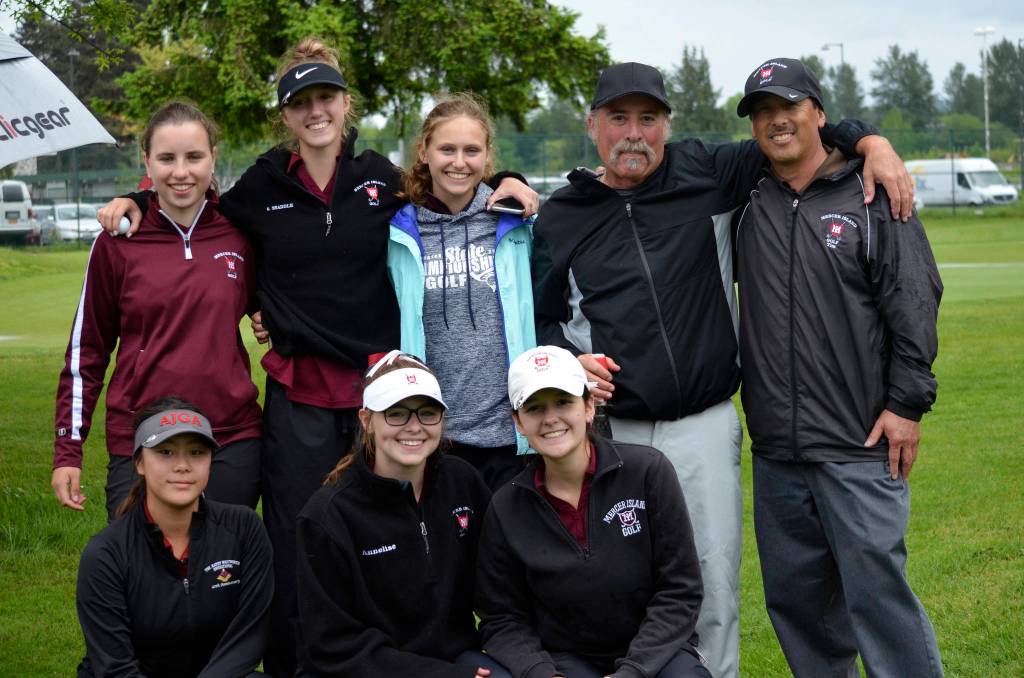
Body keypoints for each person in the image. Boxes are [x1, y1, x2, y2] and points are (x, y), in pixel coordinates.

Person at [96, 39, 535, 675]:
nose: (315, 111)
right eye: (300, 102)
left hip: (377, 398)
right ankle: (299, 664)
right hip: (299, 397)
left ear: (344, 103)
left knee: (383, 536)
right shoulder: (263, 184)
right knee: (297, 538)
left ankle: (395, 656)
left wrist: (505, 181)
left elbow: (449, 184)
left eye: (325, 97)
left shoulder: (380, 178)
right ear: (286, 114)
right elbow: (191, 200)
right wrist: (136, 196)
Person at [530, 61, 914, 678]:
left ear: (668, 125)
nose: (634, 134)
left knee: (710, 578)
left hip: (702, 423)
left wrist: (874, 141)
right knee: (622, 581)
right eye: (619, 119)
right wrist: (569, 360)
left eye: (648, 119)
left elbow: (795, 132)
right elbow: (540, 319)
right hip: (613, 431)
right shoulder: (561, 215)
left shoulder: (707, 172)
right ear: (592, 124)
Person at [733, 57, 943, 677]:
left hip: (859, 442)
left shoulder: (871, 193)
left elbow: (914, 301)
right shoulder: (748, 197)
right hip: (777, 452)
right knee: (800, 610)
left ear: (819, 115)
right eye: (763, 112)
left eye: (789, 107)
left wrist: (906, 405)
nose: (776, 122)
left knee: (880, 602)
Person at [53, 101, 262, 520]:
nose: (181, 172)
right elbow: (87, 352)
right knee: (141, 576)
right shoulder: (116, 243)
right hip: (142, 437)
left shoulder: (240, 234)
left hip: (230, 437)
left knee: (221, 576)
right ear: (146, 159)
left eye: (194, 157)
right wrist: (68, 450)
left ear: (213, 158)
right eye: (167, 158)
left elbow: (275, 302)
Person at [475, 346, 708, 678]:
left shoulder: (647, 472)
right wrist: (541, 673)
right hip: (565, 660)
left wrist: (633, 671)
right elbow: (501, 617)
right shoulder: (505, 507)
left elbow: (680, 589)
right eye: (535, 408)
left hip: (655, 652)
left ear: (588, 406)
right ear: (518, 422)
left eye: (563, 402)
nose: (550, 418)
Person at [295, 351, 509, 678]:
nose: (414, 427)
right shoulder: (327, 516)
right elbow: (330, 646)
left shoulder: (462, 482)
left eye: (428, 413)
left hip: (455, 659)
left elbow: (500, 586)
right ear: (367, 420)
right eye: (396, 414)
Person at [389, 93, 536, 490]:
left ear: (488, 155)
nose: (459, 162)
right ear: (423, 151)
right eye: (447, 149)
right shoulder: (396, 230)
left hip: (511, 436)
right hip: (434, 436)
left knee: (510, 549)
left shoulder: (517, 221)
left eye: (472, 150)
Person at [75, 397, 273, 677]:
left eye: (196, 452)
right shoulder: (106, 554)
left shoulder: (244, 528)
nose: (182, 465)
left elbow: (248, 637)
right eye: (165, 452)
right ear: (139, 463)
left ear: (211, 461)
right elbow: (115, 667)